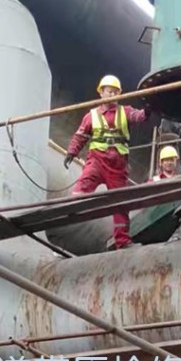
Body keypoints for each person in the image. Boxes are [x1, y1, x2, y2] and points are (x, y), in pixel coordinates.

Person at [64, 74, 153, 250]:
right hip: (97, 160)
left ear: (119, 94)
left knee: (121, 204)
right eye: (109, 91)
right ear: (101, 93)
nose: (112, 95)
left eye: (115, 92)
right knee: (84, 184)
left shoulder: (125, 111)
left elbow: (139, 116)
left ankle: (122, 242)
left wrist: (148, 109)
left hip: (118, 166)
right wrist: (71, 152)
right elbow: (80, 135)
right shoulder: (91, 116)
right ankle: (73, 208)